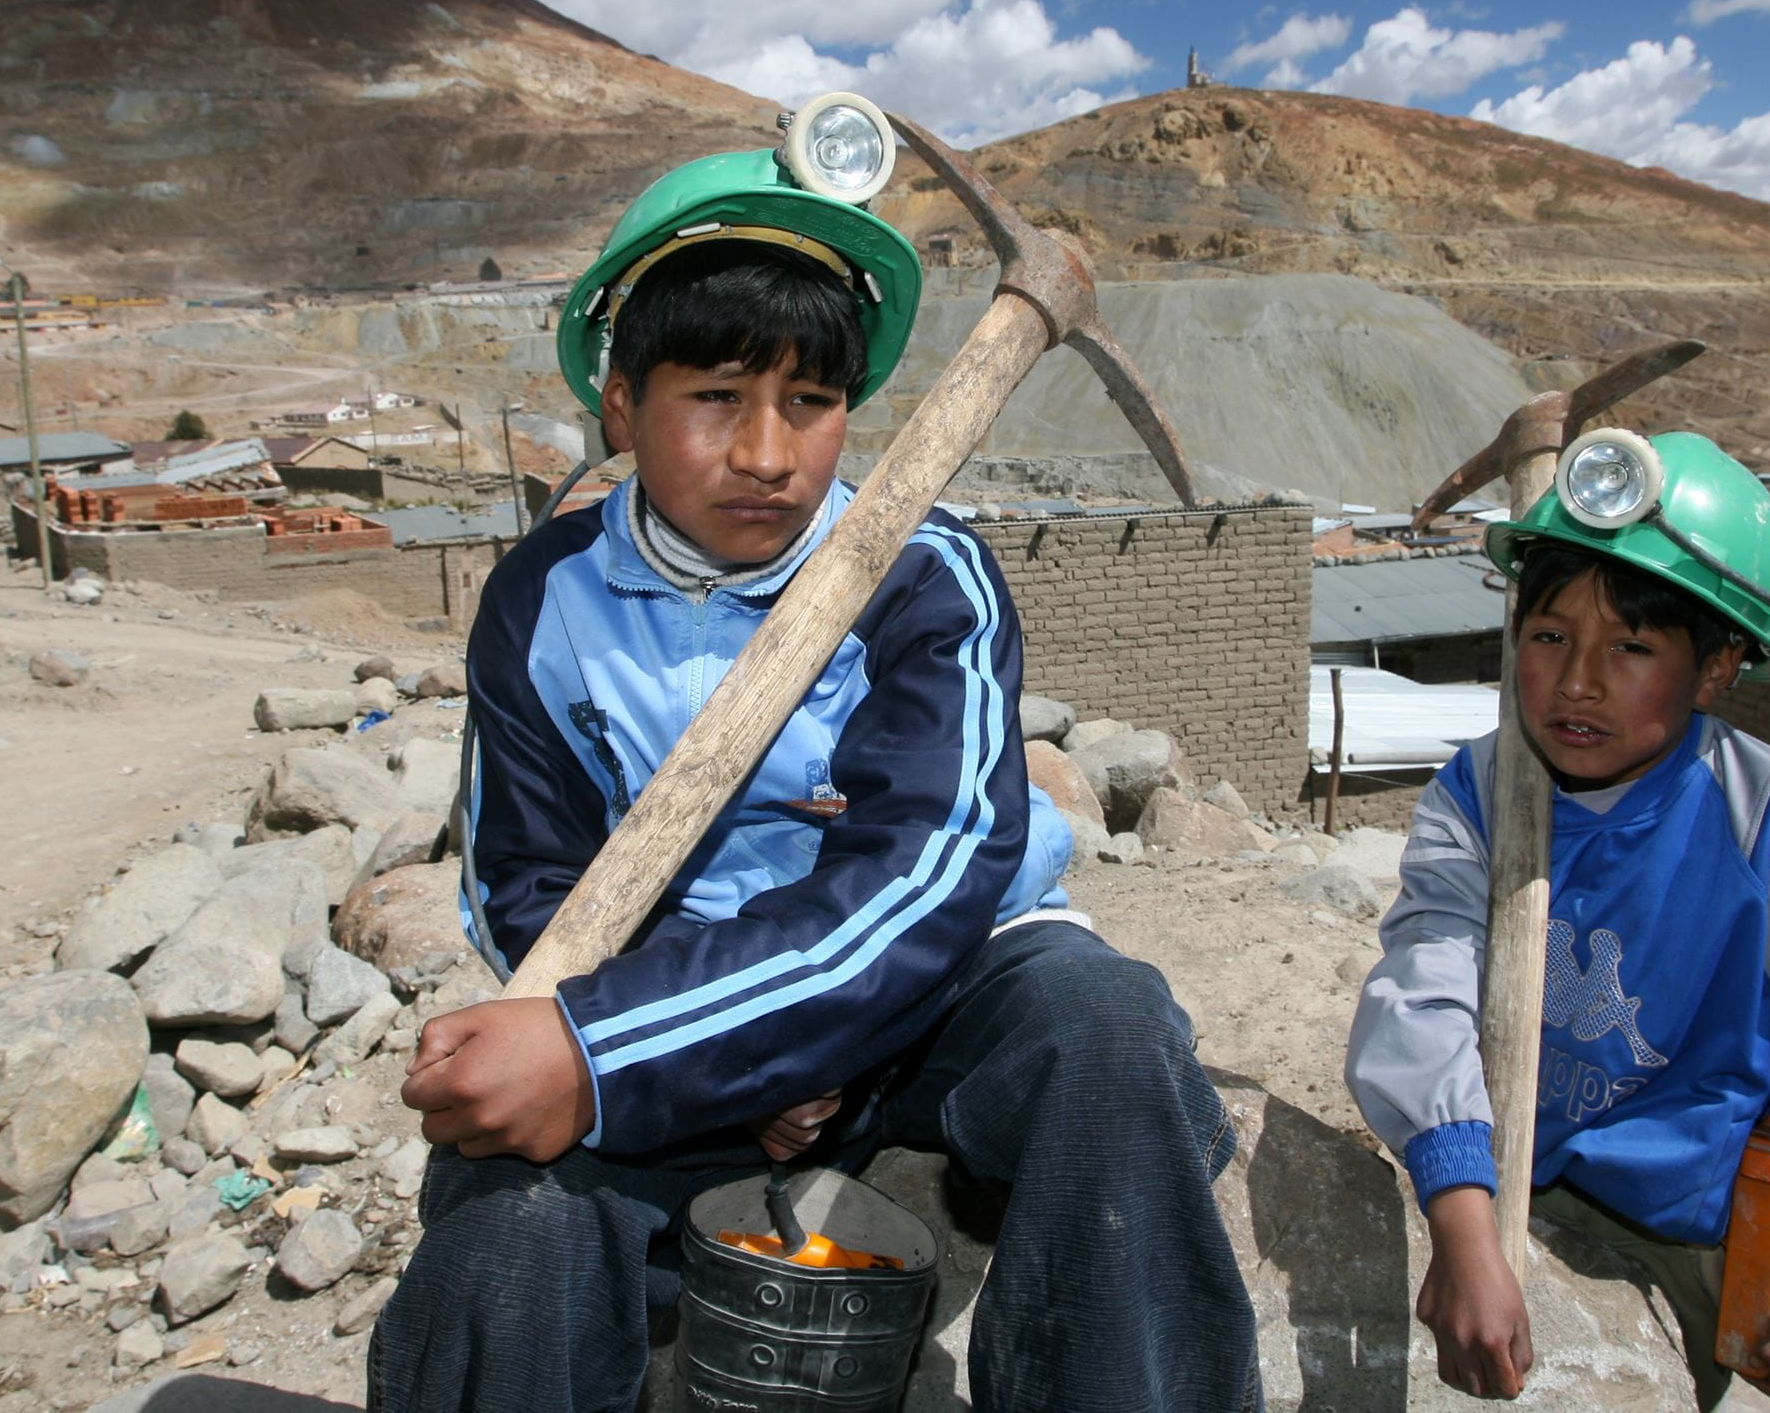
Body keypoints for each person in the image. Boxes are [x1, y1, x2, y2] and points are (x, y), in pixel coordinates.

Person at [373, 105, 1259, 1413]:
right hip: (663, 1004)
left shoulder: (928, 574)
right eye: (717, 397)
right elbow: (526, 888)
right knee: (504, 1211)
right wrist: (679, 1049)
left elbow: (924, 883)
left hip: (934, 997)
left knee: (1111, 1032)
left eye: (813, 399)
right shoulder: (540, 601)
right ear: (620, 399)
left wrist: (713, 1046)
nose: (768, 452)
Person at [1344, 431, 1770, 1409]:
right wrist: (1461, 1218)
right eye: (1548, 637)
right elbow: (1424, 983)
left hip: (1674, 1232)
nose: (1578, 681)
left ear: (1717, 667)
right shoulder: (1484, 791)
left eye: (1631, 647)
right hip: (1492, 1172)